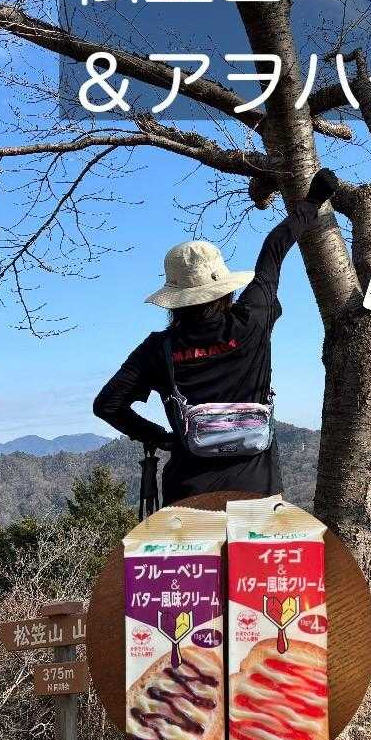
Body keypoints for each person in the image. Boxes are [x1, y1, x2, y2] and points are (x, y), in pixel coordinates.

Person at [93, 168, 339, 505]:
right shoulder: (251, 319)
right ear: (224, 288)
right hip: (257, 491)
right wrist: (313, 200)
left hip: (188, 495)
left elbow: (108, 405)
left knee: (194, 546)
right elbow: (274, 249)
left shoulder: (158, 349)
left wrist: (164, 438)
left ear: (175, 298)